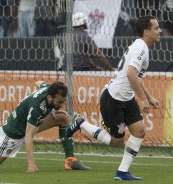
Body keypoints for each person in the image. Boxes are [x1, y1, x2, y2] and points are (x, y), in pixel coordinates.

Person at [67, 15, 161, 180]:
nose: (160, 31)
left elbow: (135, 77)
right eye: (156, 28)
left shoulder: (141, 46)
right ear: (147, 32)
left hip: (126, 98)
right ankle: (80, 123)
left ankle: (122, 172)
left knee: (139, 132)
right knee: (117, 142)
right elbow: (132, 74)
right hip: (114, 98)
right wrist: (144, 100)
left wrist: (149, 96)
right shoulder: (141, 48)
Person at [0, 81, 90, 172]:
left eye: (63, 101)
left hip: (30, 124)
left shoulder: (48, 89)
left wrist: (52, 110)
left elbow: (38, 82)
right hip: (15, 133)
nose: (61, 104)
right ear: (50, 97)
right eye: (59, 102)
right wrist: (31, 164)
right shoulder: (37, 107)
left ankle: (70, 161)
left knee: (63, 118)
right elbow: (28, 136)